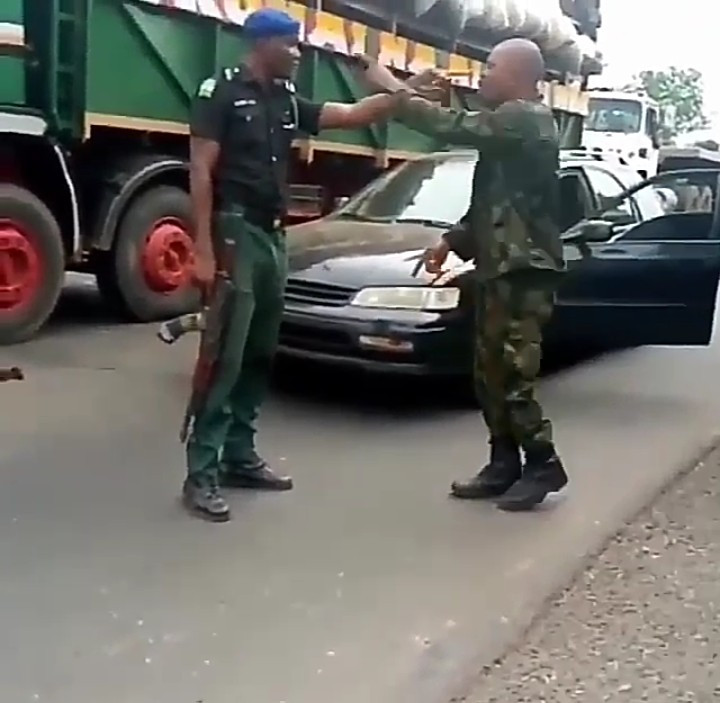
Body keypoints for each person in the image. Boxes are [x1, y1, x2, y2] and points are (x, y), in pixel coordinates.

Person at [182, 8, 425, 522]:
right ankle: (201, 472)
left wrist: (403, 94)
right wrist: (202, 248)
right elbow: (200, 171)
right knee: (225, 353)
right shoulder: (220, 92)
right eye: (290, 46)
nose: (297, 54)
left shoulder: (286, 99)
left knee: (260, 350)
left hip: (271, 235)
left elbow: (352, 115)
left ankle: (239, 456)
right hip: (234, 231)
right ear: (263, 44)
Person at [362, 38, 569, 511]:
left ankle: (543, 463)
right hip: (499, 267)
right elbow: (490, 206)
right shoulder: (505, 130)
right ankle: (503, 462)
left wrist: (393, 88)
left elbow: (449, 125)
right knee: (488, 372)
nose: (483, 75)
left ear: (518, 75)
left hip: (525, 272)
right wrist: (452, 241)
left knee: (513, 373)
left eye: (491, 66)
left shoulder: (527, 118)